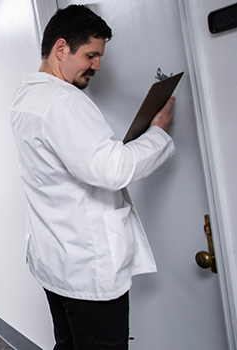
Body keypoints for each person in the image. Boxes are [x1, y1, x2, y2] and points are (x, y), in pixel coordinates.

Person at [10, 5, 176, 348]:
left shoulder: (26, 97)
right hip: (86, 266)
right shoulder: (62, 102)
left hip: (56, 259)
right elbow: (111, 170)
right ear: (61, 49)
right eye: (91, 54)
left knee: (68, 344)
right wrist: (158, 132)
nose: (97, 65)